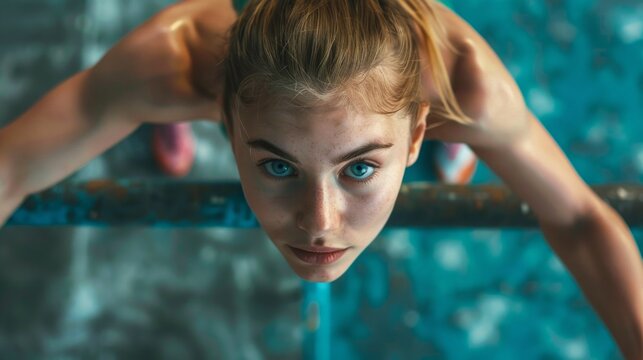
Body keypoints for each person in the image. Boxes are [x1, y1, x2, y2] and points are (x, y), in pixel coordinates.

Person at [0, 0, 640, 356]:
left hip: (435, 100)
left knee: (475, 125)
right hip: (199, 83)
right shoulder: (175, 60)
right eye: (277, 165)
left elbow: (583, 219)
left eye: (359, 167)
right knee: (131, 91)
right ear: (221, 120)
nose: (320, 225)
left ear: (417, 132)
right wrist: (136, 99)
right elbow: (9, 166)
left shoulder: (468, 87)